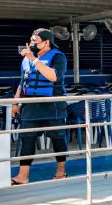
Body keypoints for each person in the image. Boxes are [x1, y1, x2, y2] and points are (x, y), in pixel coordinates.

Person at [11, 29, 69, 185]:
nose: (32, 44)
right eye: (31, 41)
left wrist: (34, 59)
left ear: (46, 42)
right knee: (27, 139)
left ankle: (61, 171)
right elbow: (23, 82)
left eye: (35, 41)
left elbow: (54, 77)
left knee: (58, 139)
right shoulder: (27, 59)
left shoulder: (58, 57)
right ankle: (22, 176)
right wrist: (15, 103)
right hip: (30, 106)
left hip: (53, 106)